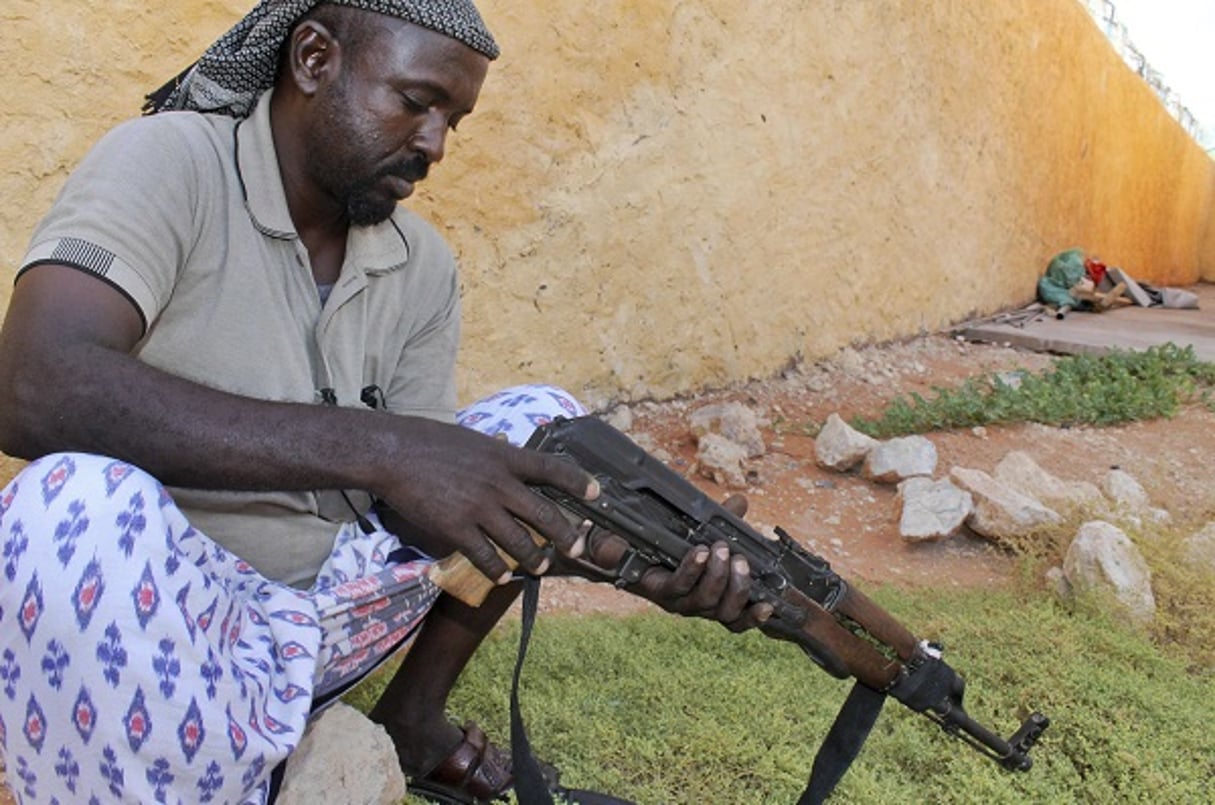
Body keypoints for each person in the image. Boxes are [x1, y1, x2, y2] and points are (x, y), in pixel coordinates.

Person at [0, 1, 769, 802]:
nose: (435, 144)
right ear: (313, 60)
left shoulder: (421, 265)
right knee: (64, 504)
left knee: (539, 430)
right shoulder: (168, 163)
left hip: (327, 615)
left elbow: (431, 508)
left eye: (454, 120)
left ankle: (406, 720)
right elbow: (35, 385)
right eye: (414, 102)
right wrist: (384, 448)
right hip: (165, 631)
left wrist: (625, 555)